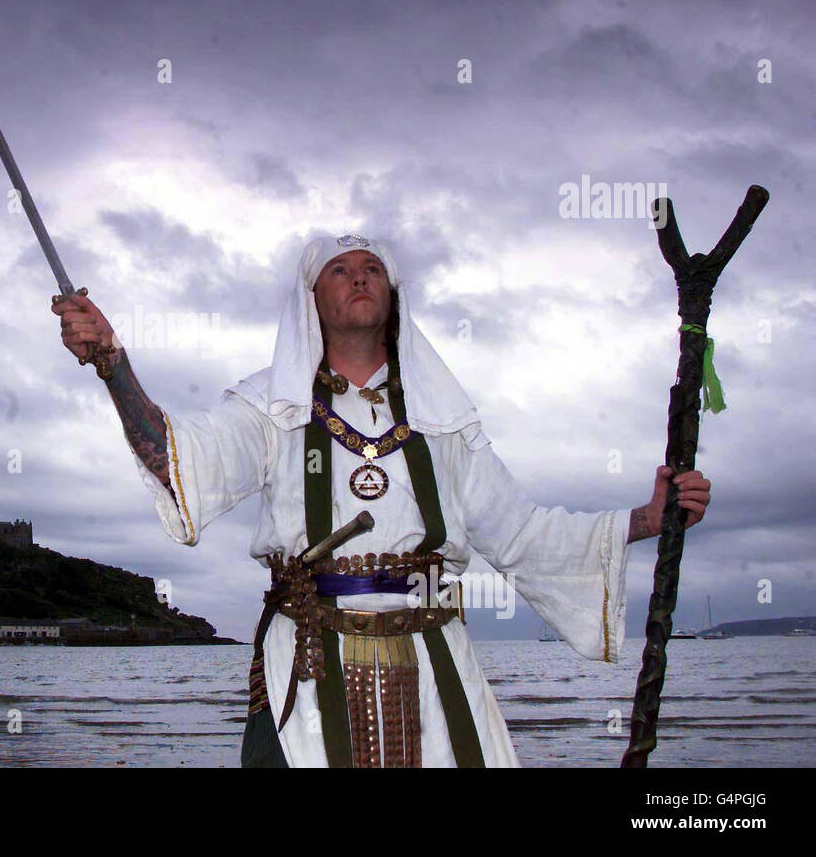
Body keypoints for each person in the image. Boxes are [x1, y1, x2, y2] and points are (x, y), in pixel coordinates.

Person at [51, 233, 711, 767]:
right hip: (308, 665)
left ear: (393, 295)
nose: (359, 276)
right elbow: (177, 462)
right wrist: (113, 363)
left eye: (372, 268)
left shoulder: (442, 415)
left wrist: (649, 519)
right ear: (311, 300)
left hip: (436, 667)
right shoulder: (270, 404)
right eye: (339, 270)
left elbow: (521, 534)